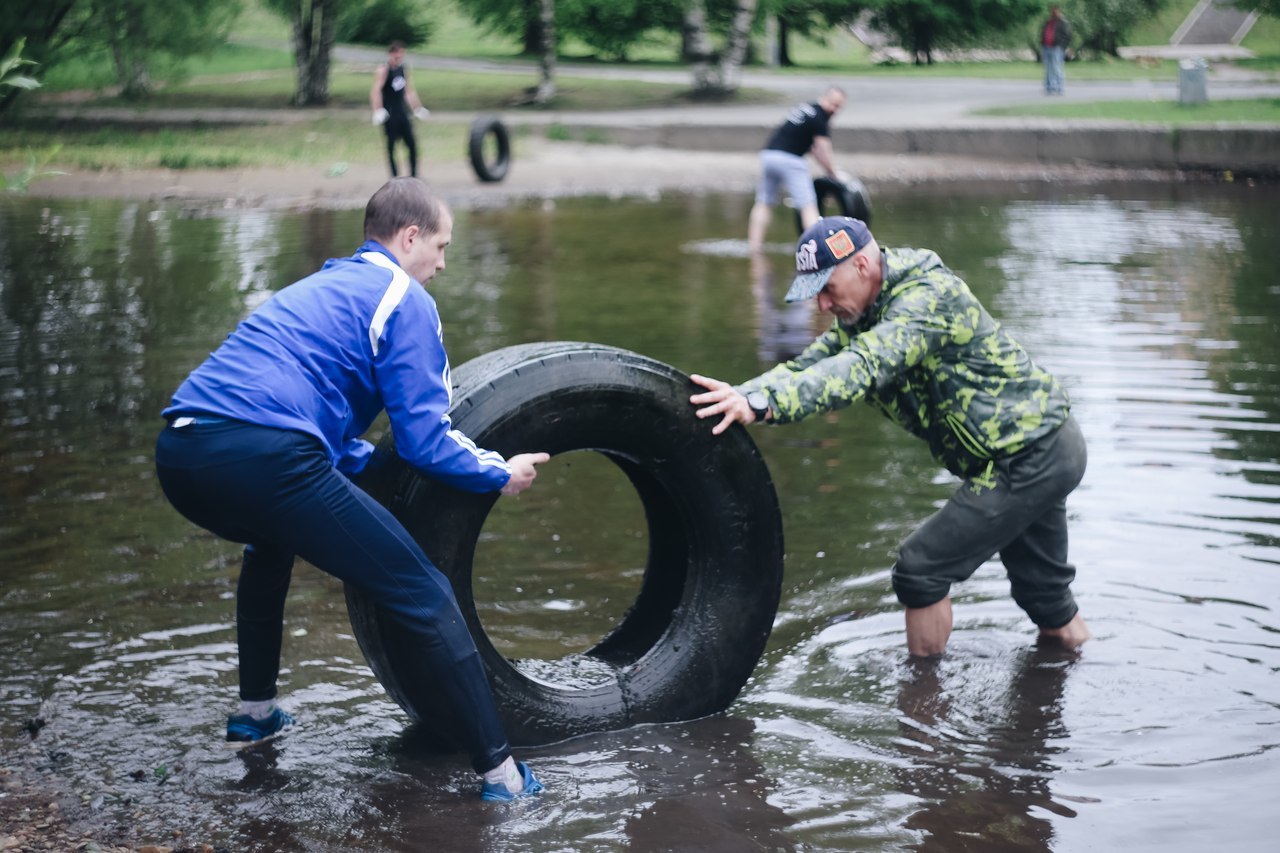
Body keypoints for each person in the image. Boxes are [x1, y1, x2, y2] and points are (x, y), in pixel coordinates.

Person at [154, 178, 547, 801]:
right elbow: (425, 439)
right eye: (440, 247)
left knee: (268, 542)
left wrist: (376, 470)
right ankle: (501, 776)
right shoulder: (404, 297)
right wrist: (501, 473)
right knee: (423, 591)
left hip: (180, 451)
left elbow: (326, 435)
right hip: (265, 453)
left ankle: (255, 716)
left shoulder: (322, 287)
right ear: (409, 236)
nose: (442, 264)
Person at [689, 216, 1091, 658]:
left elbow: (860, 367)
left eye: (827, 288)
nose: (822, 305)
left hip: (1032, 455)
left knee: (921, 569)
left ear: (862, 265)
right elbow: (809, 366)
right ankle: (1067, 681)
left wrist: (765, 405)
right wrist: (738, 397)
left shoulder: (926, 300)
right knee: (1047, 601)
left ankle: (922, 709)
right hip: (1036, 449)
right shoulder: (864, 314)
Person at [747, 86, 848, 254]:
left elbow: (810, 148)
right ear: (825, 98)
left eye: (838, 107)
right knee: (808, 206)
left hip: (769, 155)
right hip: (791, 160)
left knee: (764, 202)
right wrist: (833, 173)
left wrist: (826, 167)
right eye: (833, 104)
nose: (834, 109)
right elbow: (823, 149)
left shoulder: (805, 109)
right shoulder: (820, 118)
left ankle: (754, 247)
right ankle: (819, 250)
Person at [370, 41, 431, 177]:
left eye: (401, 55)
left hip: (401, 111)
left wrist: (417, 108)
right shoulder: (383, 70)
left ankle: (414, 175)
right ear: (390, 54)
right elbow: (376, 91)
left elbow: (408, 91)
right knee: (391, 146)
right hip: (389, 113)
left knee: (411, 143)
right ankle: (394, 177)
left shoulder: (404, 69)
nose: (398, 58)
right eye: (396, 55)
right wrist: (377, 110)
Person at [1041, 5, 1072, 95]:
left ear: (1058, 11)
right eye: (1052, 10)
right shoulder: (1048, 22)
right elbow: (1043, 33)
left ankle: (1059, 87)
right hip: (1047, 47)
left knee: (1057, 68)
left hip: (1056, 48)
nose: (1053, 12)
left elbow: (1068, 36)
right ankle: (1050, 87)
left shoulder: (1062, 22)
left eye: (1055, 10)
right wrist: (1042, 43)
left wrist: (1062, 46)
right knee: (1048, 68)